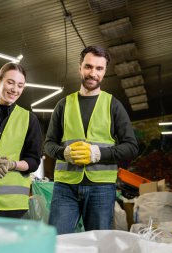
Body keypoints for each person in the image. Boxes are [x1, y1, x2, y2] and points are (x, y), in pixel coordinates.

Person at [44, 45, 139, 234]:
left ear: (104, 72)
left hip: (101, 188)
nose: (93, 73)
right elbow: (48, 145)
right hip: (65, 188)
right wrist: (64, 153)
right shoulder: (63, 105)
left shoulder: (113, 105)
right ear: (79, 67)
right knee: (57, 242)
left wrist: (98, 154)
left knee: (100, 245)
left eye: (99, 68)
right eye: (88, 67)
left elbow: (131, 147)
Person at [0, 63, 43, 218]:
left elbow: (33, 161)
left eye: (20, 85)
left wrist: (12, 164)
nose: (15, 90)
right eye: (10, 82)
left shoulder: (30, 120)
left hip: (13, 204)